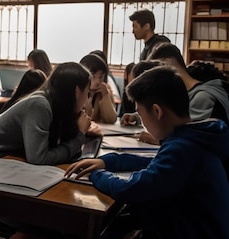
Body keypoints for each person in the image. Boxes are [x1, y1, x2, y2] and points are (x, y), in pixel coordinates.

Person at [65, 66, 229, 238]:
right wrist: (109, 161)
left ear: (157, 111)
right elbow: (154, 162)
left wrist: (96, 175)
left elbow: (131, 189)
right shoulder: (192, 137)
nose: (141, 121)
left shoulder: (182, 149)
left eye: (141, 115)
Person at [0, 62, 101, 171]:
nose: (87, 100)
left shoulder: (53, 106)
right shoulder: (40, 105)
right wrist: (80, 136)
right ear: (77, 91)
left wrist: (77, 129)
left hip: (1, 162)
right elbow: (39, 158)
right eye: (87, 93)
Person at [79, 53, 117, 125]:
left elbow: (111, 119)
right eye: (93, 77)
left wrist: (105, 95)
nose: (98, 81)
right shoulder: (78, 90)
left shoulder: (105, 89)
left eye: (101, 77)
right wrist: (90, 97)